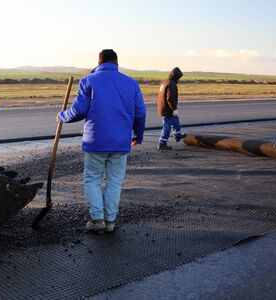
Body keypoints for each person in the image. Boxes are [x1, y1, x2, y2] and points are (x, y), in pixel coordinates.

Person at [57, 49, 146, 233]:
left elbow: (79, 111)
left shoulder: (88, 81)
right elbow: (140, 112)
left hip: (96, 141)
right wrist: (138, 134)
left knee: (92, 179)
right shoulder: (131, 83)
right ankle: (110, 220)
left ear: (98, 62)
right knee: (115, 181)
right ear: (117, 63)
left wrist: (62, 116)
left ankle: (97, 219)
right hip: (121, 142)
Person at [157, 67, 185, 150]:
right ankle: (162, 144)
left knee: (176, 121)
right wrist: (174, 109)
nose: (179, 79)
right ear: (175, 76)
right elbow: (170, 98)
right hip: (167, 109)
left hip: (164, 107)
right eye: (178, 77)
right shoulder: (171, 84)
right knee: (167, 127)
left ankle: (178, 135)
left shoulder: (164, 82)